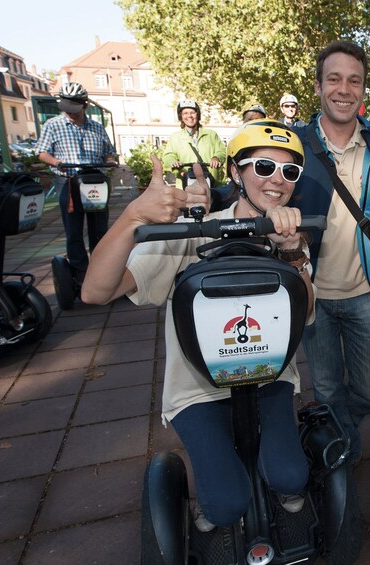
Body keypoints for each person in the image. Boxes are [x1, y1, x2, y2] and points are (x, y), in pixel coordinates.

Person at [81, 120, 313, 530]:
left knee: (291, 476)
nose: (277, 181)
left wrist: (293, 252)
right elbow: (96, 292)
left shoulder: (288, 234)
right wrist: (133, 217)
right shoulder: (189, 232)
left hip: (269, 376)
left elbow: (306, 314)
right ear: (235, 172)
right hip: (197, 388)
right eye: (263, 167)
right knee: (225, 506)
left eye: (289, 171)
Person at [292, 40, 370, 463]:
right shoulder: (292, 145)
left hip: (367, 292)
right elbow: (253, 187)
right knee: (326, 386)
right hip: (312, 295)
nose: (344, 89)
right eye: (334, 79)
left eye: (354, 80)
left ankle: (334, 432)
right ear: (317, 86)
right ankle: (340, 448)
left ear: (364, 89)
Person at [35, 82, 117, 286]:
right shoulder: (53, 125)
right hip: (69, 181)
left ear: (84, 105)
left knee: (99, 229)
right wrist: (56, 162)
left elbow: (109, 151)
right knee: (73, 231)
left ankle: (101, 270)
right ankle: (81, 273)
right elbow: (41, 152)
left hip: (94, 181)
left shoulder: (97, 127)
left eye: (75, 107)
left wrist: (109, 161)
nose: (70, 112)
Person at [161, 100, 227, 187]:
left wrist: (216, 158)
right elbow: (168, 155)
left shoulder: (211, 134)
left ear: (198, 115)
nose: (189, 116)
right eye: (185, 113)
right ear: (181, 116)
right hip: (186, 183)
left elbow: (221, 151)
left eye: (192, 112)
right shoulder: (175, 137)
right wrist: (173, 162)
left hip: (212, 182)